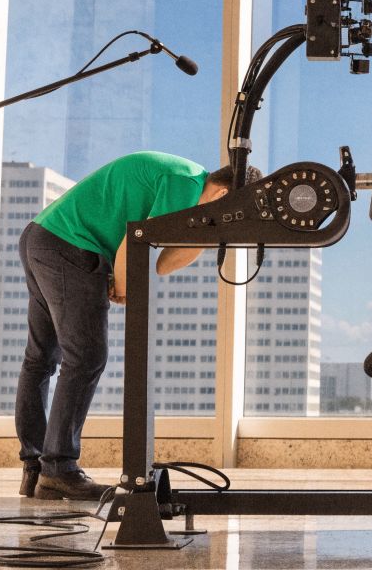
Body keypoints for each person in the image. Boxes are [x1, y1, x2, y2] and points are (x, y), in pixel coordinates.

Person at [15, 152, 259, 500]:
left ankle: (37, 468)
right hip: (71, 245)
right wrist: (124, 287)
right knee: (85, 357)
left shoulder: (186, 182)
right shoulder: (184, 185)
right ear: (222, 196)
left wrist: (210, 232)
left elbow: (162, 262)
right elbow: (136, 241)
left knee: (41, 358)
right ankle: (59, 469)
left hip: (43, 237)